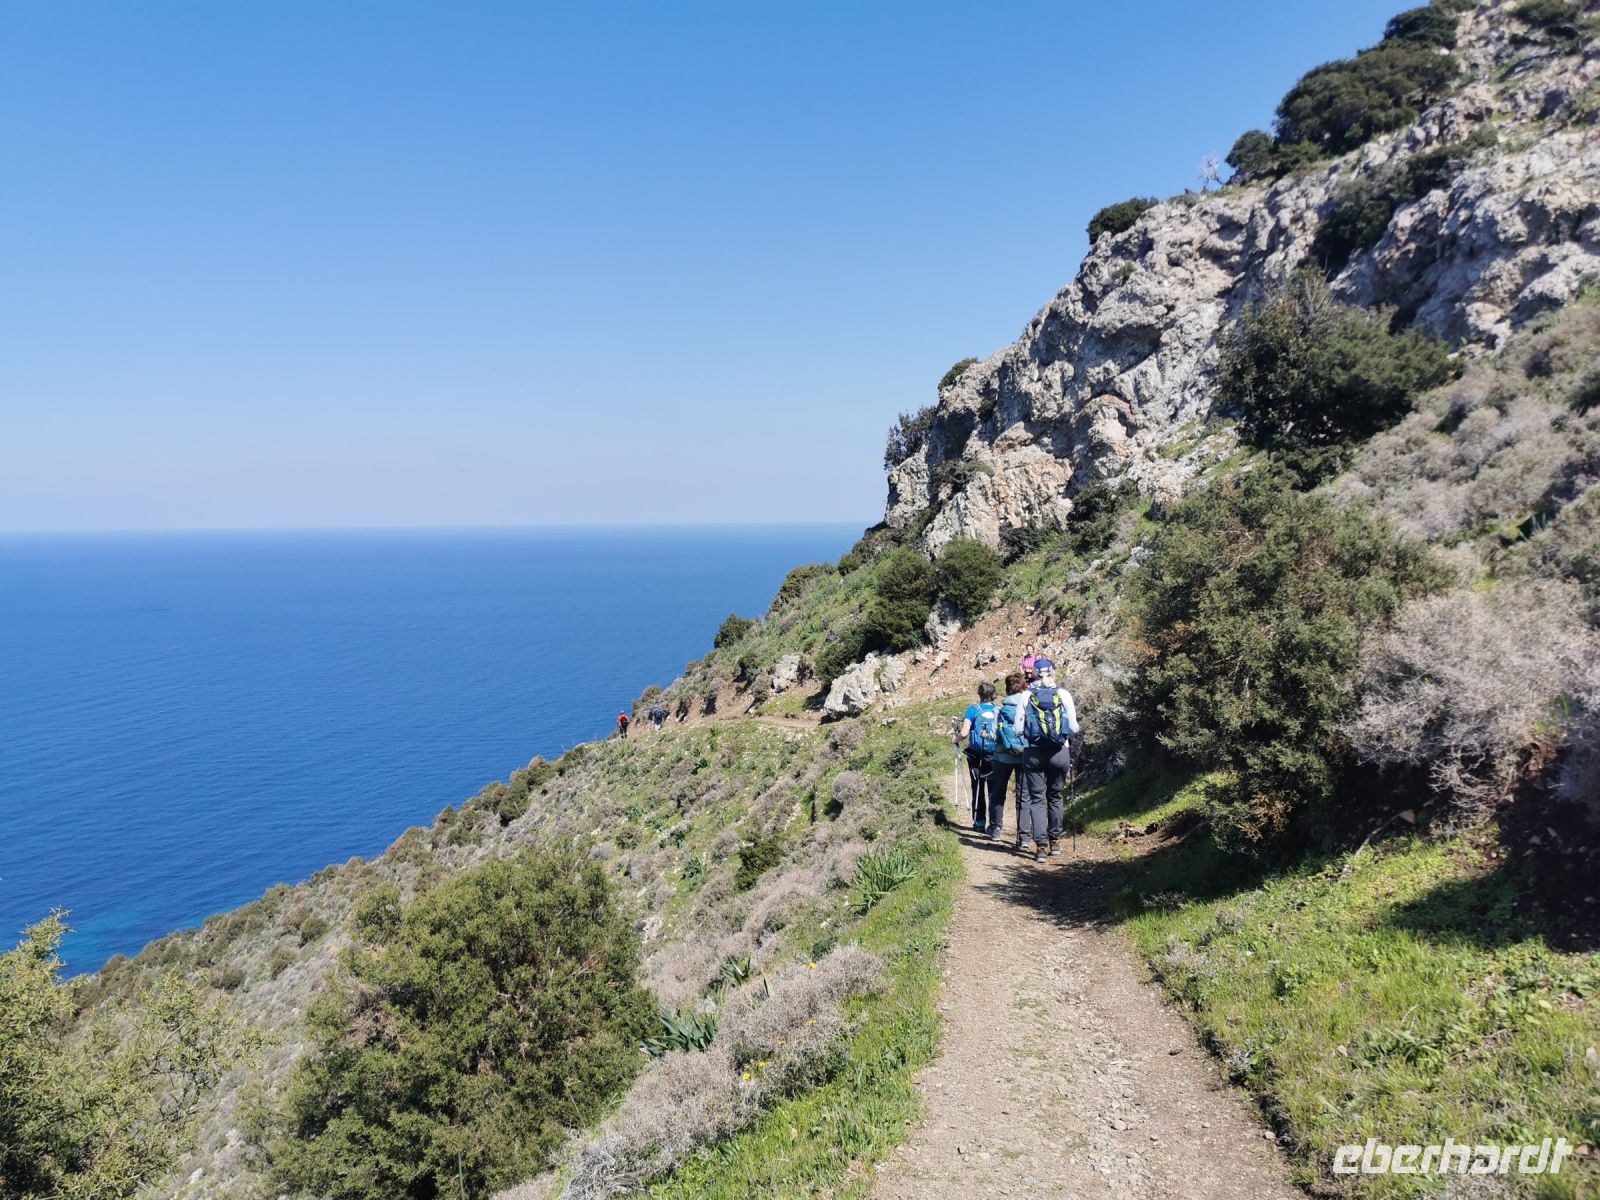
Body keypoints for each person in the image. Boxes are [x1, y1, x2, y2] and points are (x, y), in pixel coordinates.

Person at [1014, 657, 1080, 861]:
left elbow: (1018, 728)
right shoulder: (1063, 694)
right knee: (1055, 796)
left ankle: (1041, 846)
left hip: (1033, 753)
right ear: (1052, 672)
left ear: (1033, 674)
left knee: (1037, 798)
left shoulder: (1026, 696)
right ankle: (1055, 841)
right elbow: (1074, 727)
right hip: (1059, 752)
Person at [990, 672, 1031, 843]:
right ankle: (1023, 837)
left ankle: (996, 828)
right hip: (1025, 755)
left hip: (1002, 756)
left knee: (998, 792)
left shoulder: (1000, 709)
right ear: (1023, 686)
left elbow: (993, 735)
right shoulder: (1030, 706)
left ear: (1007, 689)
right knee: (1024, 796)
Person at [954, 682, 1000, 832]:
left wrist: (955, 739)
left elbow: (964, 733)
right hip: (994, 755)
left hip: (976, 755)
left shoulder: (973, 710)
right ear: (993, 695)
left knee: (978, 786)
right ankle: (995, 824)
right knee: (993, 788)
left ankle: (979, 822)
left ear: (979, 694)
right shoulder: (998, 710)